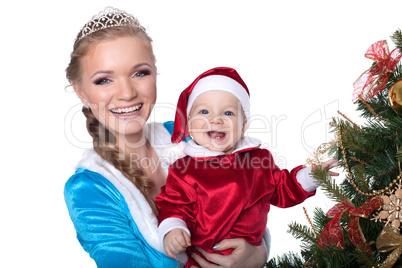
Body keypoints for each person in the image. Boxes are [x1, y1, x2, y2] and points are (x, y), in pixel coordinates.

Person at [63, 6, 269, 268]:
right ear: (80, 92)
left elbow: (253, 197)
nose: (127, 93)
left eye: (140, 73)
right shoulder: (89, 190)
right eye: (104, 80)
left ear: (155, 74)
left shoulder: (187, 135)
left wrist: (257, 253)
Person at [155, 67, 341, 268]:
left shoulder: (259, 160)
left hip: (248, 259)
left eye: (228, 113)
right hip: (202, 260)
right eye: (204, 111)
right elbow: (174, 205)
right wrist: (173, 228)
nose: (215, 119)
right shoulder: (184, 168)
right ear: (190, 123)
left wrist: (309, 177)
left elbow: (282, 188)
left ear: (244, 125)